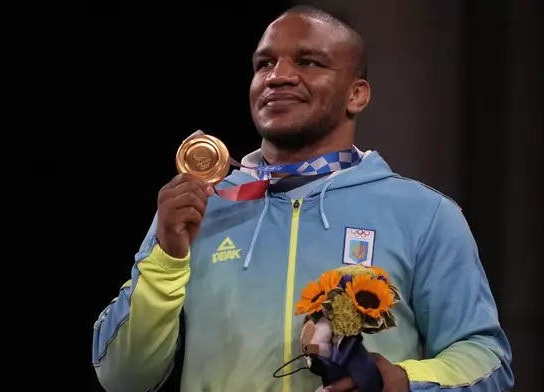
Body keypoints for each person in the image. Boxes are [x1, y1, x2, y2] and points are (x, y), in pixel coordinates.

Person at [91, 5, 514, 392]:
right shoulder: (199, 208)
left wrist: (402, 381)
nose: (278, 76)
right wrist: (166, 259)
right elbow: (123, 377)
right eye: (264, 64)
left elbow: (485, 360)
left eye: (308, 62)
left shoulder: (424, 215)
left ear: (357, 95)